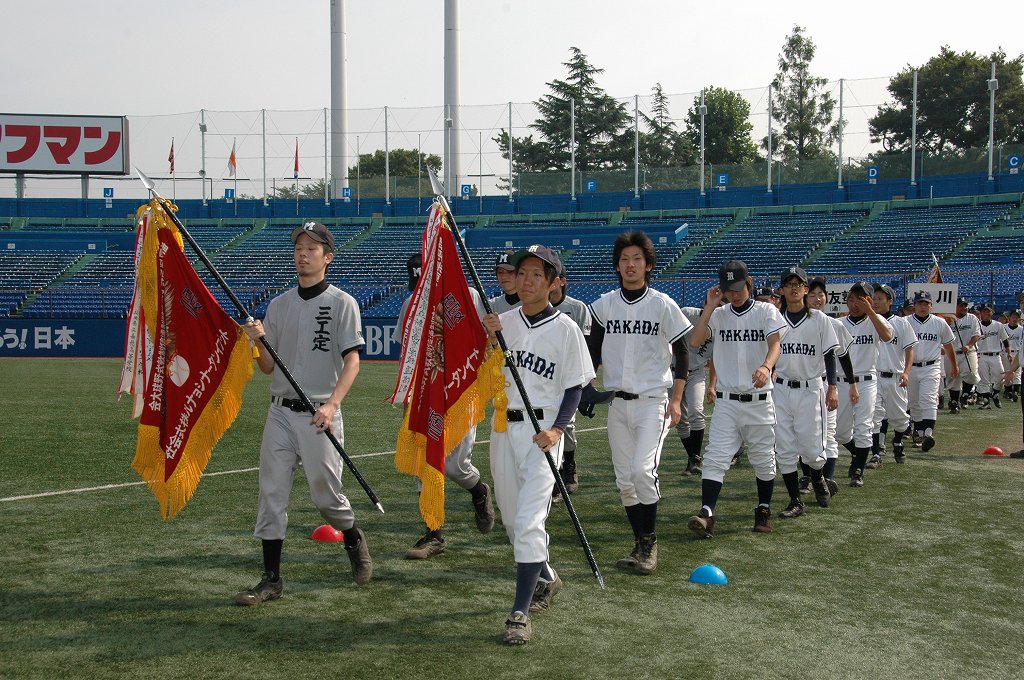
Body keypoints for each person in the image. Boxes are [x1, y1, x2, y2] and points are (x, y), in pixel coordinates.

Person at [235, 221, 372, 606]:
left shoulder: (343, 303)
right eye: (299, 247)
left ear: (327, 257)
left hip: (319, 412)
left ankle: (352, 536)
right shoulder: (279, 305)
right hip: (280, 412)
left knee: (326, 498)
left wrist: (332, 404)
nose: (303, 254)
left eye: (312, 248)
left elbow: (353, 361)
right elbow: (268, 367)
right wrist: (257, 342)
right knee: (271, 493)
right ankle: (271, 579)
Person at [482, 245, 595, 646]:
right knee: (513, 523)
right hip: (502, 427)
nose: (526, 281)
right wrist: (490, 339)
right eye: (522, 273)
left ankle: (519, 613)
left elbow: (575, 386)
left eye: (536, 274)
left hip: (542, 431)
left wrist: (559, 429)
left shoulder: (566, 328)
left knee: (529, 521)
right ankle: (546, 575)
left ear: (553, 282)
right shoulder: (502, 323)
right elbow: (485, 371)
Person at [588, 231, 691, 574]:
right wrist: (587, 384)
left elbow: (682, 353)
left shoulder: (662, 304)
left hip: (652, 401)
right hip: (617, 403)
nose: (630, 265)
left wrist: (677, 400)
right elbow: (592, 351)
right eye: (624, 259)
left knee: (642, 471)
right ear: (617, 266)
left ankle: (649, 541)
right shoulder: (605, 304)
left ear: (648, 265)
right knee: (624, 480)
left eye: (637, 259)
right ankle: (640, 543)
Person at [397, 253, 496, 560]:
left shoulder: (469, 296)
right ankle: (433, 534)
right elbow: (407, 353)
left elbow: (487, 338)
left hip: (461, 392)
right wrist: (409, 395)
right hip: (427, 395)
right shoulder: (410, 304)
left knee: (455, 466)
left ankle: (479, 491)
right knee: (423, 463)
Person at [686, 259, 786, 537]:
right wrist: (710, 306)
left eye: (738, 288)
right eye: (728, 289)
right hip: (727, 401)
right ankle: (707, 513)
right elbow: (695, 341)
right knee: (715, 457)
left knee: (763, 458)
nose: (734, 294)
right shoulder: (719, 315)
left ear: (749, 283)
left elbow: (776, 344)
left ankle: (763, 508)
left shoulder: (766, 310)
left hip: (759, 399)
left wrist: (767, 366)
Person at [771, 266, 839, 519]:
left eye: (798, 284)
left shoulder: (819, 319)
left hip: (811, 388)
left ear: (806, 289)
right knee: (785, 449)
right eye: (789, 284)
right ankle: (795, 500)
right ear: (781, 290)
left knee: (812, 450)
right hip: (781, 388)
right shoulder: (774, 319)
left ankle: (818, 476)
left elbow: (830, 354)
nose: (794, 288)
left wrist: (833, 387)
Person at [835, 282, 893, 488]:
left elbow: (887, 336)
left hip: (867, 381)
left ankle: (858, 470)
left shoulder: (875, 321)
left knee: (864, 427)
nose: (854, 304)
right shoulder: (838, 323)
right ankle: (856, 453)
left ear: (868, 301)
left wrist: (870, 311)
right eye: (851, 299)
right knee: (840, 432)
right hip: (842, 382)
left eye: (860, 300)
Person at [549, 261, 592, 500]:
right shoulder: (537, 307)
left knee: (567, 425)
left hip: (569, 376)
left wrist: (587, 384)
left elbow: (585, 346)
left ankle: (570, 466)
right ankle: (555, 475)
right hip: (545, 374)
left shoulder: (577, 308)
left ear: (561, 281)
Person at [869, 284, 917, 468]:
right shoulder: (868, 321)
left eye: (880, 298)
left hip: (895, 376)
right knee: (874, 416)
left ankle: (897, 442)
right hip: (874, 377)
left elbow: (910, 350)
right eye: (874, 298)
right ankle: (876, 453)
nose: (876, 302)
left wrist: (906, 372)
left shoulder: (901, 323)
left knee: (899, 418)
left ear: (890, 301)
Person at [906, 291, 958, 453]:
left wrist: (954, 365)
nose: (923, 307)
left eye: (926, 303)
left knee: (928, 399)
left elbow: (948, 346)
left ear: (931, 305)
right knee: (914, 401)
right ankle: (919, 431)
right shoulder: (905, 322)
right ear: (914, 305)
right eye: (919, 303)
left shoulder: (939, 323)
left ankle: (928, 434)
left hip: (931, 366)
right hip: (911, 367)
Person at [676, 303, 714, 476]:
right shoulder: (687, 313)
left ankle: (695, 458)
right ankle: (692, 458)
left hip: (696, 372)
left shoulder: (720, 324)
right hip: (674, 371)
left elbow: (715, 359)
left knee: (696, 411)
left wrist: (712, 385)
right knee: (680, 419)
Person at [974, 302, 1013, 409]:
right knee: (984, 380)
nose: (986, 313)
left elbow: (1005, 340)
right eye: (984, 311)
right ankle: (986, 402)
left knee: (1001, 378)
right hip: (981, 355)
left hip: (996, 355)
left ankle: (995, 394)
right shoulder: (977, 325)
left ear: (992, 312)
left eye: (988, 311)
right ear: (981, 313)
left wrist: (1009, 353)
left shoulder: (998, 325)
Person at [949, 297, 981, 410]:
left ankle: (965, 394)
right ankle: (954, 402)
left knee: (972, 374)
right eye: (961, 306)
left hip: (969, 351)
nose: (964, 308)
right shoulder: (948, 319)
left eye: (965, 305)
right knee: (953, 377)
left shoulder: (972, 318)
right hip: (952, 352)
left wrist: (969, 345)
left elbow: (977, 334)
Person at [1004, 309, 1023, 402]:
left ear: (1019, 319)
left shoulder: (1021, 329)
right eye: (1013, 317)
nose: (1015, 319)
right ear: (1009, 318)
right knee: (1007, 371)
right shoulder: (1004, 327)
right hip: (1005, 353)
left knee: (1017, 373)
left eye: (1017, 317)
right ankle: (1008, 391)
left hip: (1018, 352)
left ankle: (1015, 391)